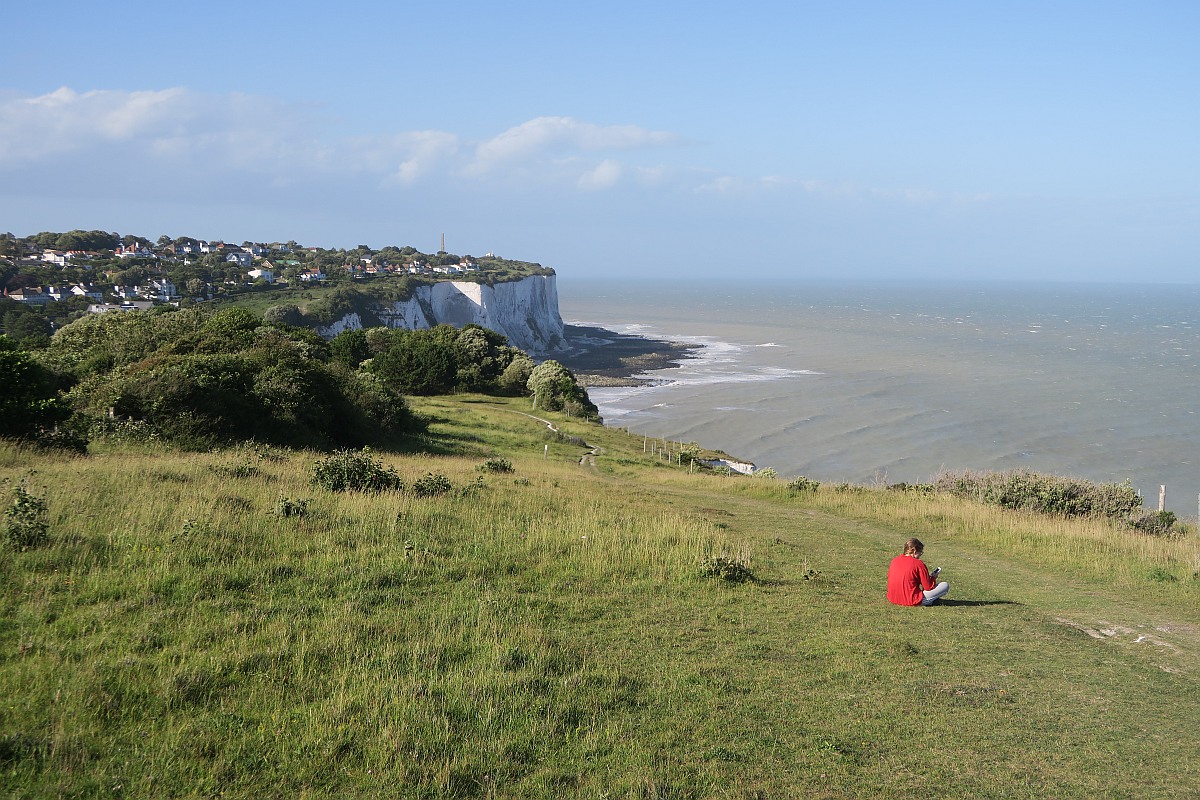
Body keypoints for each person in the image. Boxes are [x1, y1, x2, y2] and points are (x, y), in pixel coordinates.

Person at [886, 537, 949, 606]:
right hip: (911, 600)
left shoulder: (895, 560)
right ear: (915, 551)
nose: (920, 555)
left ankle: (931, 600)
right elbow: (928, 587)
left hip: (892, 598)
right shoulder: (919, 564)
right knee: (945, 585)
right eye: (920, 553)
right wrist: (933, 578)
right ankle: (930, 601)